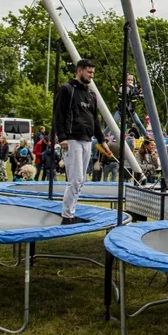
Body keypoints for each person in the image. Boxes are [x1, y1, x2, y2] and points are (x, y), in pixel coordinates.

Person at [53, 59, 109, 223]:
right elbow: (58, 114)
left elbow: (95, 119)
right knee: (75, 179)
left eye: (92, 72)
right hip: (71, 139)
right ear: (79, 71)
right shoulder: (67, 90)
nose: (91, 75)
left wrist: (102, 140)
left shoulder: (91, 94)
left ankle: (70, 212)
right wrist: (62, 137)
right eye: (88, 72)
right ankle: (67, 215)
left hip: (87, 140)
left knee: (81, 180)